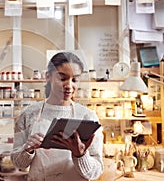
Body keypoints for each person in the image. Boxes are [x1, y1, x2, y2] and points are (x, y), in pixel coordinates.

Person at [11, 52, 103, 181]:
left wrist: (80, 155)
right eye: (62, 78)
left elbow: (96, 172)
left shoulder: (88, 117)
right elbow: (18, 163)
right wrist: (28, 149)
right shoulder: (28, 114)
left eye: (75, 79)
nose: (69, 86)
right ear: (48, 76)